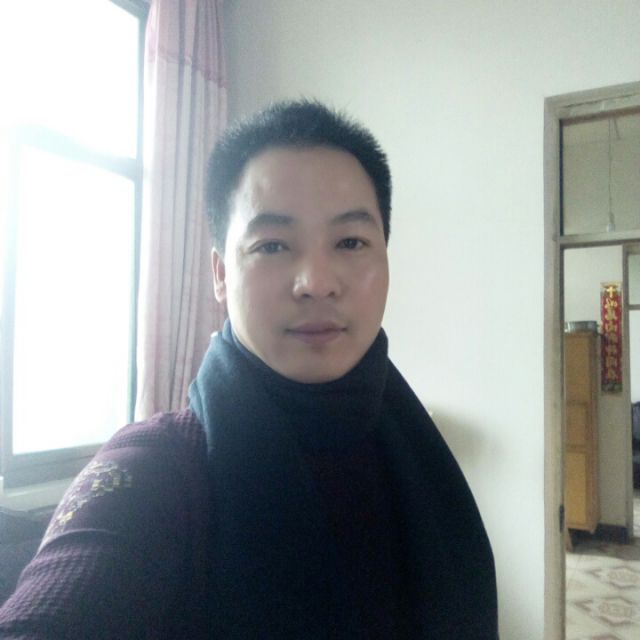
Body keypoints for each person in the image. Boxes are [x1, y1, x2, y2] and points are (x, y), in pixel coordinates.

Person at [0, 100, 498, 639]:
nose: (316, 282)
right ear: (220, 274)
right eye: (273, 245)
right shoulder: (162, 468)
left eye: (351, 242)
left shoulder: (414, 451)